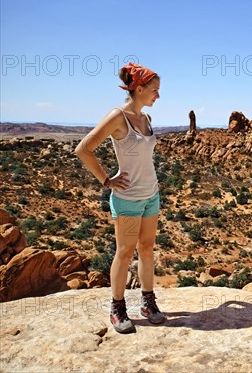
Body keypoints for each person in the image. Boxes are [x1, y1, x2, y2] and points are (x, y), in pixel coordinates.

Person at [75, 62, 166, 334]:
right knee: (125, 253)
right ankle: (117, 308)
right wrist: (106, 180)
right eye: (154, 90)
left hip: (151, 195)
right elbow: (84, 149)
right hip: (127, 199)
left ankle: (148, 303)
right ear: (139, 89)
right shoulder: (118, 117)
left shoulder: (146, 119)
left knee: (147, 249)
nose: (158, 96)